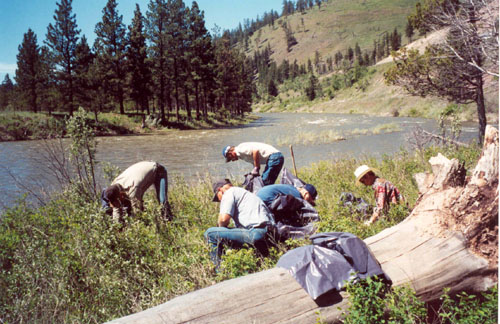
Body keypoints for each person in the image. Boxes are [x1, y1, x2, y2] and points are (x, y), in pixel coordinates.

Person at [204, 179, 275, 268]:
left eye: (218, 198)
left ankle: (219, 272)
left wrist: (220, 227)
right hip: (269, 234)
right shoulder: (245, 193)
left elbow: (223, 220)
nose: (219, 201)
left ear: (220, 190)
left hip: (256, 232)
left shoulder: (229, 192)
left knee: (210, 233)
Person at [101, 161, 172, 222]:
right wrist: (116, 225)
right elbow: (116, 208)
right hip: (139, 170)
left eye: (117, 201)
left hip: (158, 170)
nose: (116, 204)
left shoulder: (133, 189)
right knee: (126, 203)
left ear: (120, 194)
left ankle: (168, 222)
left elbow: (137, 212)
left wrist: (136, 226)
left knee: (162, 200)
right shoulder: (113, 186)